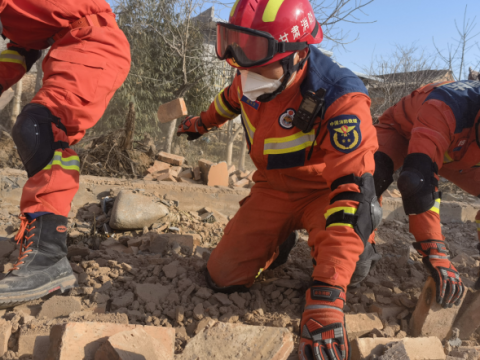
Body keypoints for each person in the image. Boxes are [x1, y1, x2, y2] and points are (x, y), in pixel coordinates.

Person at [177, 0, 380, 358]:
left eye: (259, 68)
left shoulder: (342, 98)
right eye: (240, 65)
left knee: (352, 265)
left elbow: (351, 195)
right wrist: (199, 124)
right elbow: (228, 101)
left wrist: (326, 298)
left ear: (297, 55)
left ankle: (359, 249)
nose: (246, 77)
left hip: (325, 193)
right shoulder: (251, 74)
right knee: (222, 277)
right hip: (272, 189)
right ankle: (278, 240)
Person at [0, 1, 131, 306]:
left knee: (39, 128)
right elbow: (21, 49)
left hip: (93, 41)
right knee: (37, 128)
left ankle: (47, 258)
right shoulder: (21, 20)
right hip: (69, 46)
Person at [372, 80, 480, 308]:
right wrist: (436, 252)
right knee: (369, 179)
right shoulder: (447, 106)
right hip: (403, 132)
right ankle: (359, 242)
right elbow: (418, 182)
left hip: (461, 154)